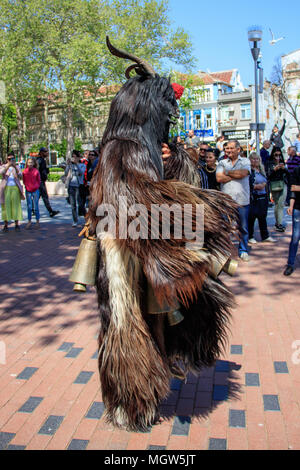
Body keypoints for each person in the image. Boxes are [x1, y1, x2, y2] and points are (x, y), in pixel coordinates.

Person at [216, 139, 251, 261]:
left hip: (242, 201)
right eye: (227, 148)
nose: (228, 150)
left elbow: (244, 173)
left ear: (238, 149)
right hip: (226, 202)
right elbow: (219, 178)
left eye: (231, 148)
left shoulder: (245, 161)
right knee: (225, 227)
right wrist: (235, 175)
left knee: (243, 228)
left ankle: (243, 250)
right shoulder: (222, 162)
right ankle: (225, 250)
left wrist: (228, 173)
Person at [248, 153, 275, 244]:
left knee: (262, 216)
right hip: (253, 196)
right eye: (253, 159)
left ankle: (265, 236)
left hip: (263, 196)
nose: (255, 161)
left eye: (257, 159)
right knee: (252, 217)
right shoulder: (249, 171)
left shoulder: (262, 170)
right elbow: (247, 183)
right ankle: (250, 236)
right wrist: (256, 187)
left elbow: (266, 181)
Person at [0, 151, 25, 231]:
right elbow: (1, 173)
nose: (11, 160)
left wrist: (15, 169)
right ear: (7, 159)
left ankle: (16, 224)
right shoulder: (3, 166)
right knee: (5, 206)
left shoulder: (17, 167)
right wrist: (7, 166)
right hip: (6, 188)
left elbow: (21, 175)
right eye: (9, 158)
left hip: (15, 188)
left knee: (16, 206)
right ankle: (6, 225)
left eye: (12, 158)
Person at [266, 147, 289, 232]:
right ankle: (277, 222)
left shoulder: (282, 162)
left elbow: (288, 174)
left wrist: (284, 169)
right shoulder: (269, 163)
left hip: (283, 184)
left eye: (279, 155)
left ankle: (279, 223)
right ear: (273, 154)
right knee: (277, 204)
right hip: (274, 184)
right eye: (276, 155)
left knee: (281, 203)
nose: (278, 157)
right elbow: (268, 175)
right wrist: (274, 170)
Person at [283, 165, 300, 276]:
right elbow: (293, 188)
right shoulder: (297, 170)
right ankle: (290, 264)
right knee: (295, 236)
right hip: (298, 208)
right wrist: (291, 206)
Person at [64, 150, 85, 227]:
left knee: (80, 204)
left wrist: (77, 164)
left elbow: (81, 172)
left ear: (79, 157)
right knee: (73, 204)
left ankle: (86, 218)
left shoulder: (82, 165)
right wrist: (68, 165)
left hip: (79, 186)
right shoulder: (70, 165)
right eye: (73, 157)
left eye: (76, 157)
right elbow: (66, 173)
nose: (74, 158)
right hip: (71, 186)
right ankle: (75, 220)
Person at [36, 148, 60, 218]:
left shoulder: (42, 160)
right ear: (41, 152)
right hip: (40, 182)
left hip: (41, 181)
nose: (47, 153)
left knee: (38, 197)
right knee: (44, 197)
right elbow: (37, 170)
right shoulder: (39, 160)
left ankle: (33, 210)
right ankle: (50, 211)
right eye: (45, 152)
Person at [22, 157, 41, 229]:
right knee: (29, 207)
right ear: (26, 163)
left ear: (34, 163)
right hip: (28, 190)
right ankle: (29, 221)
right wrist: (27, 186)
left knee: (36, 206)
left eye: (31, 163)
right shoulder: (25, 171)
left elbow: (39, 180)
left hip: (35, 190)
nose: (30, 164)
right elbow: (24, 180)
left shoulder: (36, 171)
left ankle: (37, 221)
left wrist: (36, 186)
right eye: (29, 162)